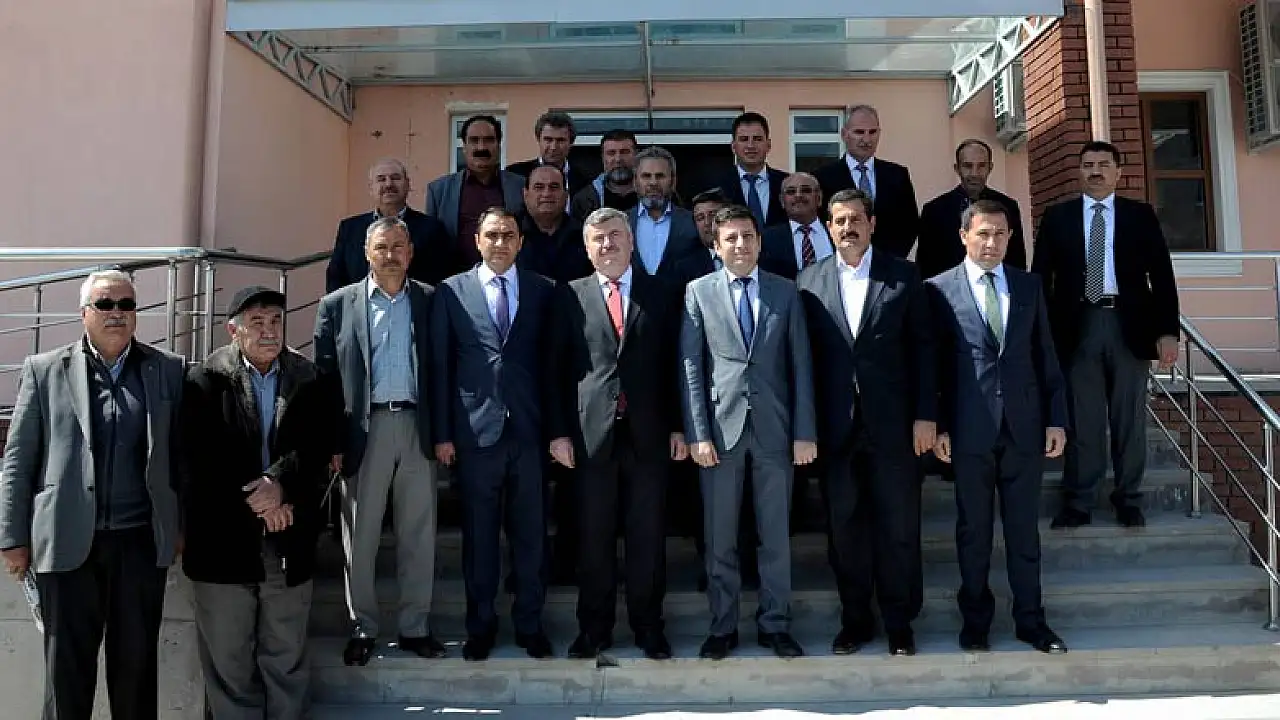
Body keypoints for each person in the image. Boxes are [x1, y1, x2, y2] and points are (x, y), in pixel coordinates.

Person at [0, 270, 185, 720]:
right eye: (105, 304)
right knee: (66, 675)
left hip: (139, 544)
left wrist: (180, 527)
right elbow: (18, 460)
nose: (116, 313)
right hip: (66, 543)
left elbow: (183, 457)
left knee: (135, 673)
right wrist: (12, 536)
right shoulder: (45, 370)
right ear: (84, 312)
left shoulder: (168, 370)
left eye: (126, 305)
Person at [181, 286, 335, 719]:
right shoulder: (203, 381)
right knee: (228, 661)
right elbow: (203, 460)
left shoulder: (308, 378)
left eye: (276, 321)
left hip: (287, 537)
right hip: (223, 542)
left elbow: (317, 449)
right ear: (233, 331)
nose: (269, 331)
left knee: (286, 656)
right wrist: (262, 499)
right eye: (257, 322)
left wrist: (280, 487)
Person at [796, 188, 936, 657]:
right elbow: (805, 360)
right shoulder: (808, 281)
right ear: (828, 227)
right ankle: (855, 621)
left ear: (872, 224)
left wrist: (926, 416)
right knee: (845, 531)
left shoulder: (903, 275)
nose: (848, 227)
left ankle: (900, 623)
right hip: (836, 430)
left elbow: (924, 350)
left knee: (899, 528)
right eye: (839, 220)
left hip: (895, 426)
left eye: (857, 218)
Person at [928, 199, 1069, 655]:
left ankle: (1031, 621)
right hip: (969, 430)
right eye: (983, 233)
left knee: (1024, 531)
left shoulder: (1028, 286)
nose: (992, 243)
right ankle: (976, 623)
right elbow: (935, 368)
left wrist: (1056, 418)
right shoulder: (938, 289)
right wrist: (940, 425)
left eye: (1001, 234)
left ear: (1010, 238)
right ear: (964, 236)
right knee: (974, 532)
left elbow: (1046, 355)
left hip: (1024, 427)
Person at [548, 207, 685, 661]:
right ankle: (594, 629)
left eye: (614, 236)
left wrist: (680, 426)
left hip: (649, 435)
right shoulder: (568, 296)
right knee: (593, 539)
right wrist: (558, 433)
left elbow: (677, 364)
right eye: (598, 239)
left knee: (648, 537)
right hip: (590, 438)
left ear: (630, 241)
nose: (607, 244)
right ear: (587, 249)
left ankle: (649, 628)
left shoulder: (662, 293)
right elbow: (557, 370)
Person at [680, 205, 817, 661]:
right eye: (731, 238)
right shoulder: (698, 292)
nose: (740, 245)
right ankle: (722, 626)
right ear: (716, 246)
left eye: (748, 237)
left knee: (774, 535)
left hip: (775, 431)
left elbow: (800, 364)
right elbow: (691, 367)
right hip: (720, 434)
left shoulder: (785, 291)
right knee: (720, 537)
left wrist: (804, 431)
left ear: (759, 242)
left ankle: (775, 624)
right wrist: (697, 433)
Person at [313, 217, 442, 667]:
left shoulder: (431, 299)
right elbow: (325, 380)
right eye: (382, 247)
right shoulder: (337, 305)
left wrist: (443, 434)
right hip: (363, 430)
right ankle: (363, 626)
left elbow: (444, 370)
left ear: (411, 252)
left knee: (419, 534)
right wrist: (332, 441)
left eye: (398, 246)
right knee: (361, 536)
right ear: (367, 253)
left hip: (416, 425)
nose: (390, 255)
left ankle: (415, 626)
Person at [430, 207, 558, 661]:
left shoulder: (544, 290)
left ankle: (530, 625)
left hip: (529, 432)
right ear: (477, 241)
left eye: (508, 235)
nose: (500, 242)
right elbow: (441, 365)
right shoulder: (451, 291)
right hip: (474, 434)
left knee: (531, 536)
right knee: (479, 538)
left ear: (520, 242)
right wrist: (443, 434)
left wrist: (556, 430)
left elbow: (553, 365)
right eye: (492, 235)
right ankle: (480, 627)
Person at [1033, 141, 1180, 529]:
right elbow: (1040, 278)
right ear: (1079, 170)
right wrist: (1041, 333)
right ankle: (1079, 501)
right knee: (1084, 419)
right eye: (1088, 164)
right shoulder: (1058, 217)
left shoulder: (1139, 215)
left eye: (1103, 164)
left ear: (1118, 172)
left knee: (1129, 418)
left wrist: (1168, 331)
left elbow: (1161, 275)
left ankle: (1128, 498)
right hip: (1077, 325)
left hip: (1128, 325)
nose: (1095, 171)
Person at [326, 158, 450, 291]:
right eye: (381, 179)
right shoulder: (349, 228)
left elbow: (440, 277)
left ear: (407, 185)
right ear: (371, 188)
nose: (388, 184)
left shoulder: (432, 229)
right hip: (361, 303)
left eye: (395, 178)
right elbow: (335, 277)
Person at [812, 105, 919, 259]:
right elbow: (821, 224)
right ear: (844, 134)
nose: (867, 139)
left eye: (872, 132)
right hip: (842, 262)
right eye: (859, 132)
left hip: (888, 264)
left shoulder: (897, 175)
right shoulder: (823, 177)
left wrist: (891, 260)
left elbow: (910, 224)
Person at [425, 114, 526, 276]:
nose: (481, 147)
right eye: (474, 140)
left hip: (507, 279)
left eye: (489, 140)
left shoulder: (520, 186)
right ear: (464, 147)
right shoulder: (439, 191)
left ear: (499, 145)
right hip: (456, 281)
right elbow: (432, 246)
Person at [917, 139, 1027, 281]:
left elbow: (1017, 262)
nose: (974, 173)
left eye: (981, 166)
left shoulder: (1008, 207)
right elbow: (925, 268)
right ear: (957, 168)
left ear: (990, 167)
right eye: (968, 166)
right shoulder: (934, 211)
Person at [628, 147, 702, 285]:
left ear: (673, 182)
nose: (653, 183)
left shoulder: (692, 222)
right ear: (635, 182)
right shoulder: (622, 223)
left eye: (660, 176)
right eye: (646, 176)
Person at [715, 111, 788, 228]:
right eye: (744, 139)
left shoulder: (786, 183)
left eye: (757, 139)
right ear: (733, 146)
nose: (751, 145)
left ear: (768, 145)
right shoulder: (717, 186)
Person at [759, 172, 834, 280]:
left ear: (819, 198)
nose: (798, 195)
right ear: (782, 201)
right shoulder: (767, 239)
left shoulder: (836, 231)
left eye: (806, 190)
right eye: (791, 192)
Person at [506, 111, 591, 200]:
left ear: (571, 143)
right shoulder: (515, 174)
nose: (553, 147)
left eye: (560, 140)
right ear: (538, 140)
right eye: (548, 140)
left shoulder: (585, 180)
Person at [570, 129, 639, 221]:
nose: (618, 159)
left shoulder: (651, 193)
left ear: (636, 154)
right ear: (603, 157)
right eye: (611, 153)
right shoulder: (584, 199)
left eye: (624, 152)